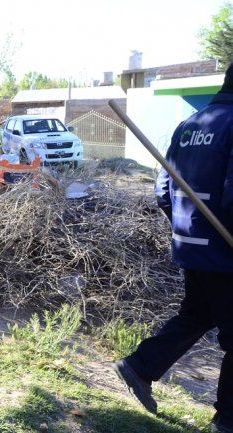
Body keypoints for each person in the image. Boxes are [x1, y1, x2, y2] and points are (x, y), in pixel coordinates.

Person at [114, 63, 233, 432]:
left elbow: (164, 189)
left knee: (198, 314)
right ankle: (228, 420)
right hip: (225, 252)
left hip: (192, 244)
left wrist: (186, 228)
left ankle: (140, 366)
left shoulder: (191, 123)